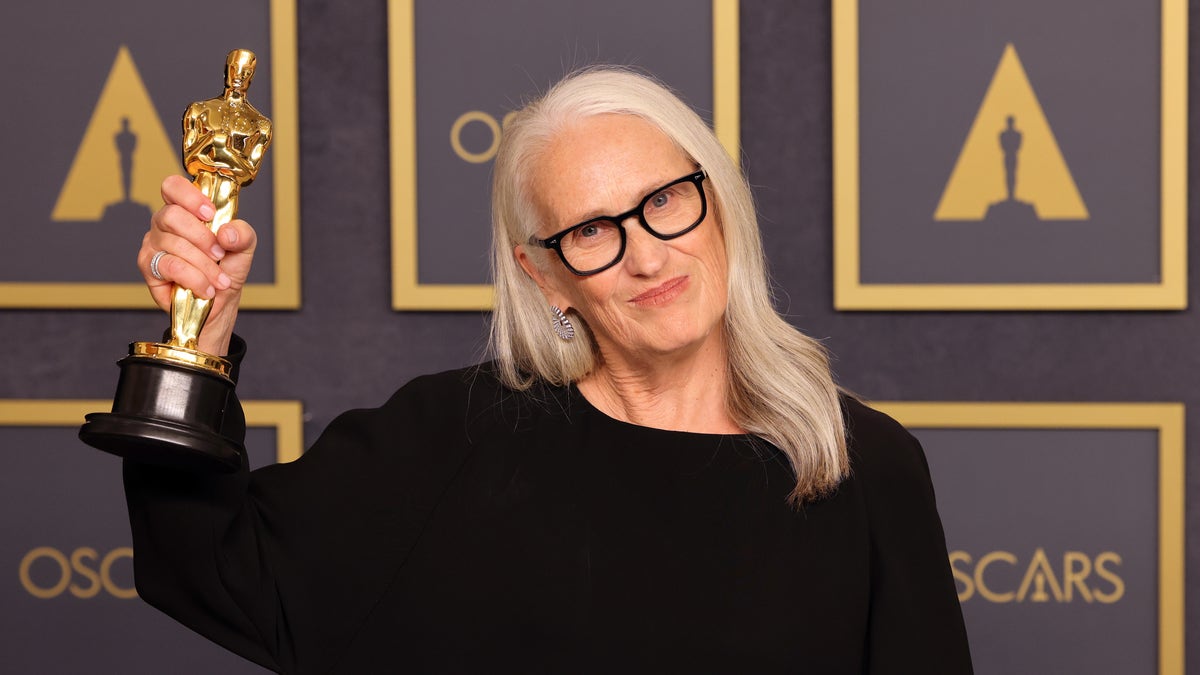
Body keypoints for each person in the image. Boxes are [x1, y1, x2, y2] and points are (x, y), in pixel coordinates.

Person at [128, 67, 973, 674]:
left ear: (719, 205)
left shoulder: (865, 465)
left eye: (666, 200)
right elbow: (214, 566)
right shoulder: (454, 438)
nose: (648, 255)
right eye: (593, 231)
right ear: (545, 275)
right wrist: (198, 337)